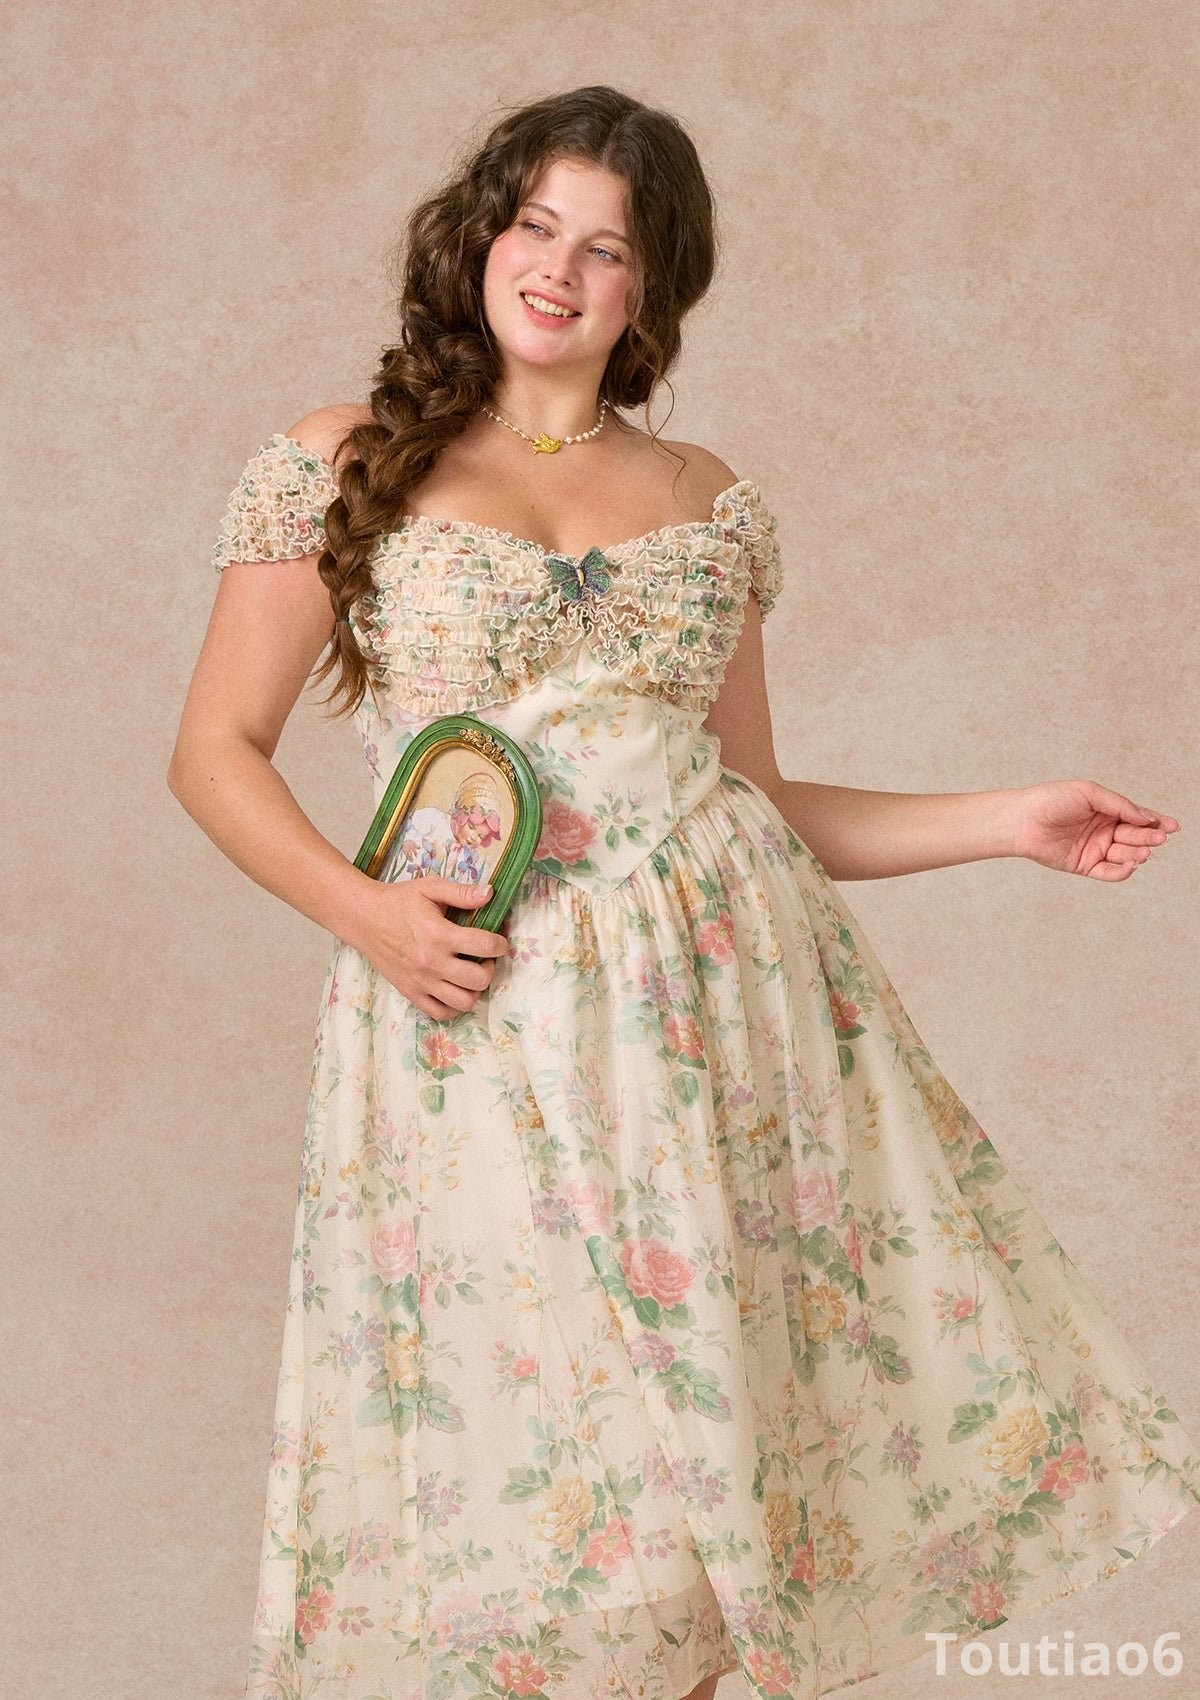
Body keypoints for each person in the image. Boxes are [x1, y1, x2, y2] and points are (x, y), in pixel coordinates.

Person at [168, 83, 1196, 1700]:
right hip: (476, 1019)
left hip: (721, 1025)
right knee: (539, 1515)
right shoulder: (341, 459)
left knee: (703, 1519)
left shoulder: (704, 499)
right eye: (534, 226)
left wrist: (1012, 820)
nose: (558, 270)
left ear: (654, 290)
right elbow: (213, 753)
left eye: (607, 249)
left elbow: (756, 802)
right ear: (481, 239)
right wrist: (366, 916)